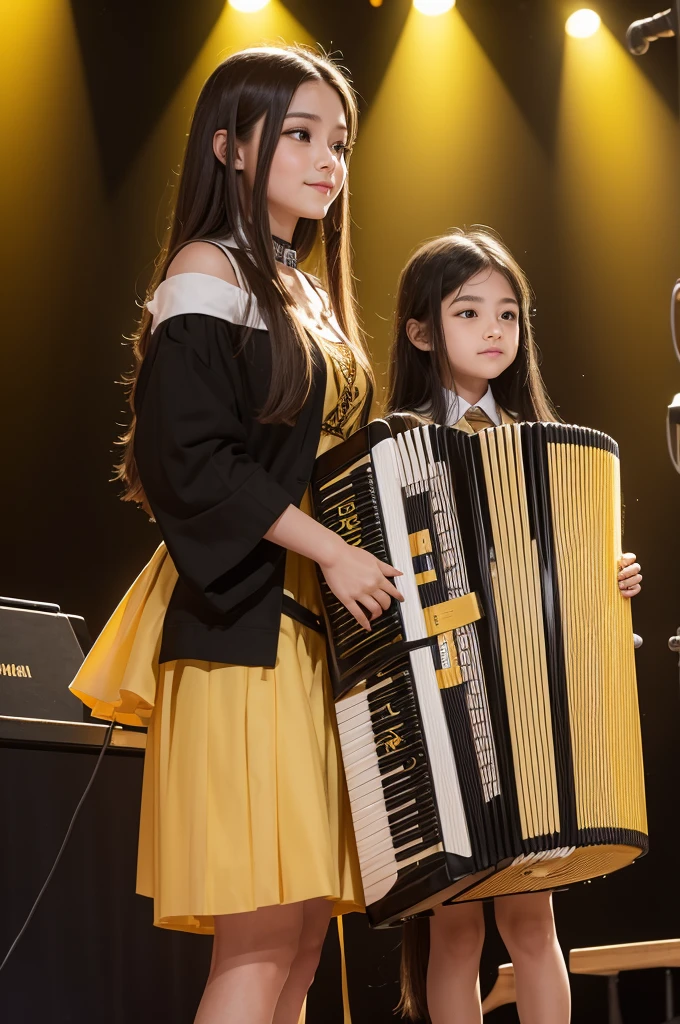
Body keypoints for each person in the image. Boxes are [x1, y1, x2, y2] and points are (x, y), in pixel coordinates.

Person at [69, 45, 404, 1024]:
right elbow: (194, 463)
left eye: (337, 140)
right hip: (241, 626)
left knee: (300, 944)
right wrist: (333, 551)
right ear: (227, 145)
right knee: (258, 941)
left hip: (306, 634)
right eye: (298, 134)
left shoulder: (303, 290)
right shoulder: (206, 270)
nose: (326, 159)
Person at [385, 228, 642, 1024]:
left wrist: (607, 591)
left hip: (534, 711)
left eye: (508, 313)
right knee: (453, 930)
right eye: (469, 312)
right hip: (446, 704)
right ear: (421, 330)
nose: (494, 330)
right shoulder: (394, 446)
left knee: (535, 920)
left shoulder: (542, 445)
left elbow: (558, 578)